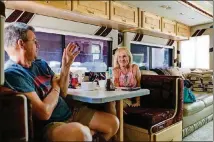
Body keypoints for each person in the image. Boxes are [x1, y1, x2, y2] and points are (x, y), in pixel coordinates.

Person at [3, 22, 119, 142]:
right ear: (21, 44)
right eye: (34, 41)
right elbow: (44, 113)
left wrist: (66, 65)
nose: (38, 45)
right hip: (51, 124)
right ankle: (91, 136)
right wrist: (55, 87)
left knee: (113, 123)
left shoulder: (41, 64)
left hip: (70, 112)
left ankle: (91, 137)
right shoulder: (13, 74)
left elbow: (63, 92)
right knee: (82, 134)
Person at [106, 47, 141, 115]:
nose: (122, 59)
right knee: (110, 103)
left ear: (129, 57)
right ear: (117, 59)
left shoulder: (134, 68)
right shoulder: (115, 70)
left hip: (128, 99)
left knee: (117, 104)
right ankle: (115, 123)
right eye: (119, 57)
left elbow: (138, 85)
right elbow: (117, 89)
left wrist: (138, 102)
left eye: (124, 56)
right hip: (118, 97)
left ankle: (118, 123)